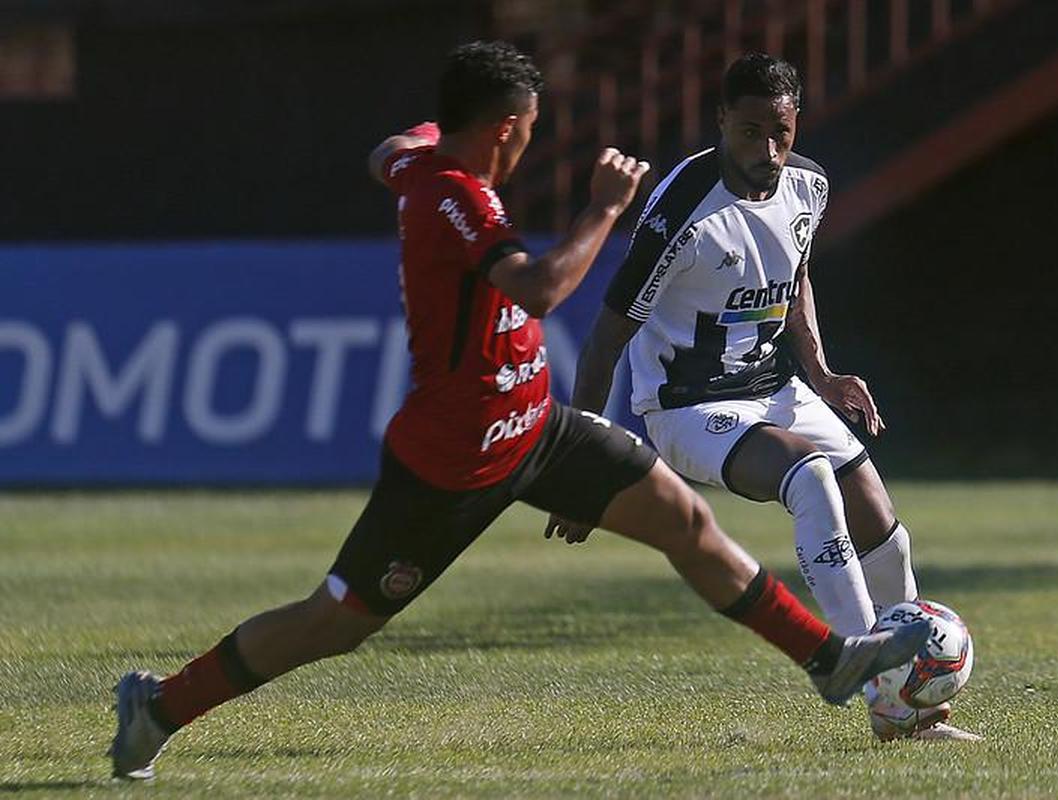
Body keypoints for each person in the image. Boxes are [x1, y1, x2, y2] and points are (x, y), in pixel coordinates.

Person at [108, 42, 930, 779]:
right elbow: (536, 291)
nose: (534, 140)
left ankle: (830, 660)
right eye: (531, 126)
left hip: (535, 424)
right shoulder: (461, 200)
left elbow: (385, 152)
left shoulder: (428, 170)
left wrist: (416, 143)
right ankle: (161, 706)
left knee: (685, 525)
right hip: (457, 456)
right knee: (338, 620)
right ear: (505, 127)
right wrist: (604, 207)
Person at [545, 52, 979, 742]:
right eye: (748, 132)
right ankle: (861, 671)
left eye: (778, 133)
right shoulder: (683, 209)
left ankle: (909, 713)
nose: (766, 150)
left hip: (774, 388)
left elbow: (796, 273)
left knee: (879, 520)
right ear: (720, 122)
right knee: (807, 476)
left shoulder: (808, 184)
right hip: (688, 405)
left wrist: (822, 371)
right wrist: (582, 465)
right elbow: (605, 340)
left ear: (795, 122)